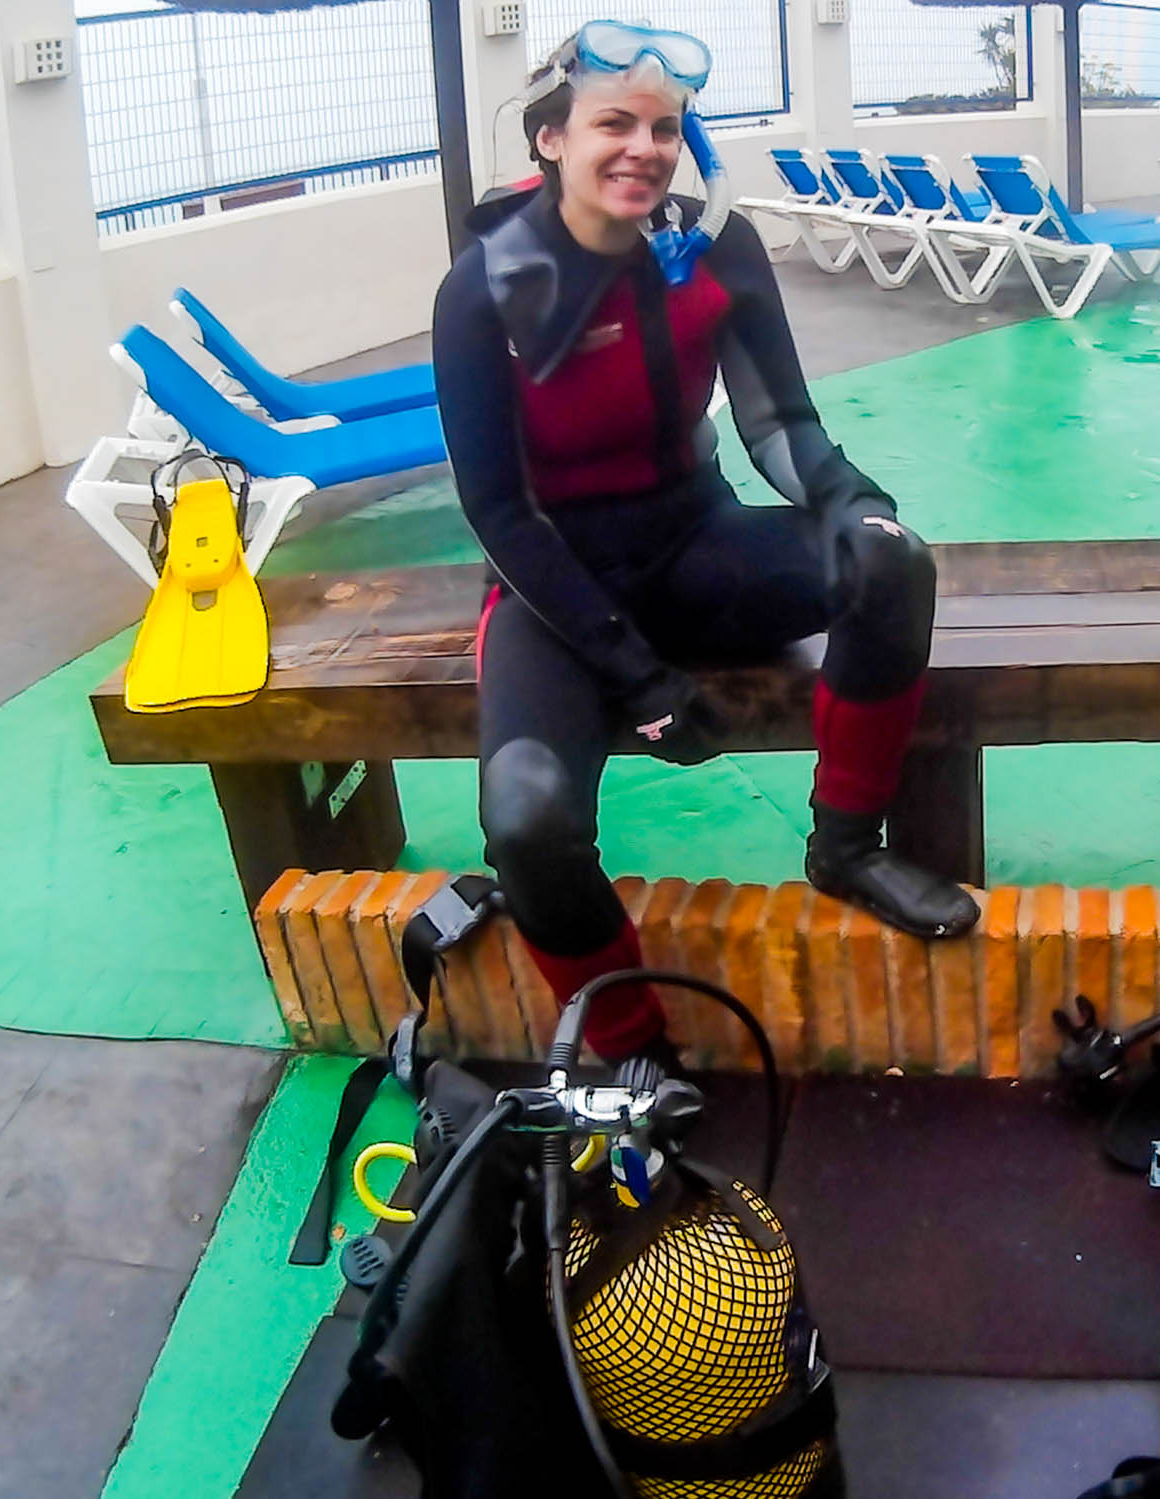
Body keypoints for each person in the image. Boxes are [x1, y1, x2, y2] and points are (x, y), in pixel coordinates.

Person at [430, 20, 979, 1064]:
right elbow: (499, 514)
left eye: (665, 129)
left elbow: (778, 422)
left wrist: (852, 501)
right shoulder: (485, 289)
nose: (644, 148)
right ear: (551, 138)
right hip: (557, 595)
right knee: (527, 821)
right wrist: (637, 677)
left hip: (695, 545)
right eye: (614, 124)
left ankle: (846, 844)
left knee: (890, 561)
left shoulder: (712, 245)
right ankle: (636, 1053)